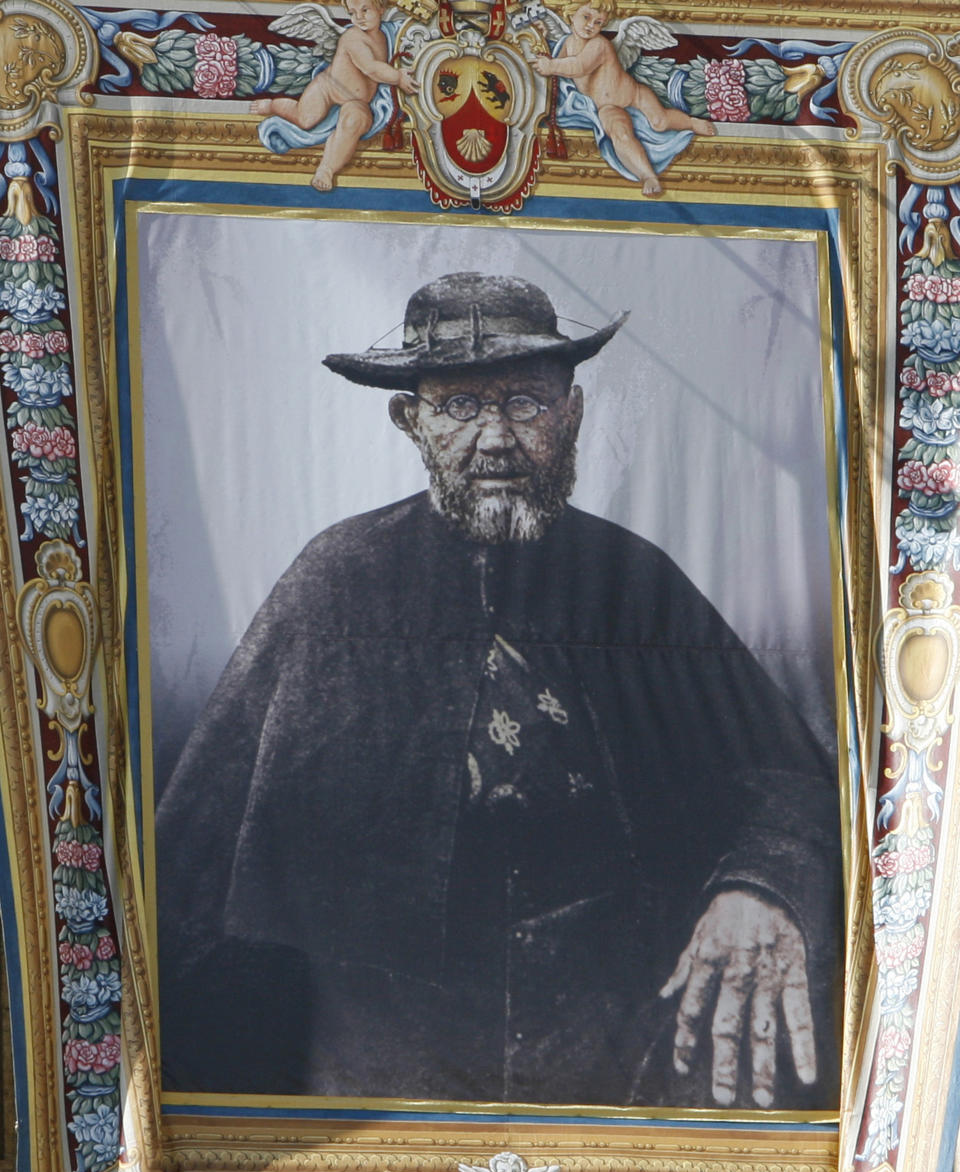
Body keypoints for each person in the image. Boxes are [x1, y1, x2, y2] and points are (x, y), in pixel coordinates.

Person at [156, 272, 842, 1110]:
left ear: (573, 413)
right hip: (377, 1077)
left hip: (614, 1061)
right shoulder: (335, 583)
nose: (495, 438)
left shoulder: (632, 581)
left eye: (524, 401)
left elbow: (784, 777)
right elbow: (187, 865)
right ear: (409, 421)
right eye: (459, 406)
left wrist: (758, 887)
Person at [530, 0, 715, 195]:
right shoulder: (567, 43)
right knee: (621, 134)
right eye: (587, 17)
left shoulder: (598, 44)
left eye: (598, 23)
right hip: (607, 107)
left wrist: (551, 66)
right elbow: (557, 69)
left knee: (660, 121)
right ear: (570, 14)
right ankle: (647, 175)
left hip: (634, 94)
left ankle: (692, 123)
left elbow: (578, 66)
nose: (591, 26)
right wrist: (542, 41)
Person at [250, 0, 417, 191]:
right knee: (305, 118)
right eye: (353, 13)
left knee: (355, 121)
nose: (359, 18)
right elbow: (370, 68)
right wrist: (398, 77)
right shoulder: (353, 37)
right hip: (327, 89)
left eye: (365, 10)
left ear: (381, 9)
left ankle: (327, 169)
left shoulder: (387, 35)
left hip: (357, 101)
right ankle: (273, 105)